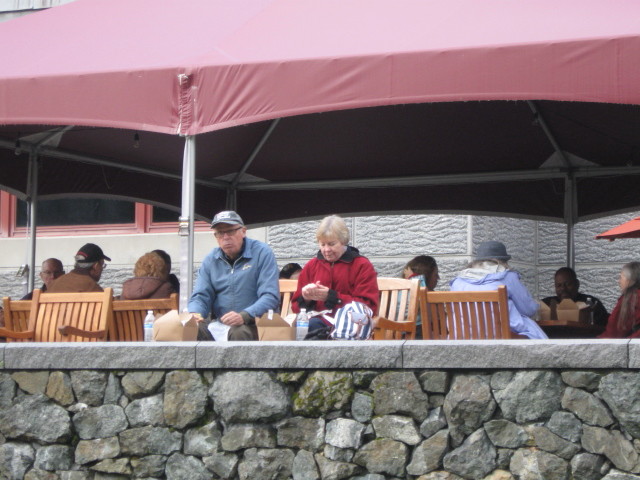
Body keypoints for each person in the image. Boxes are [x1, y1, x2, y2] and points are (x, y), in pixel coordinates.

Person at [188, 210, 279, 341]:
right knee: (192, 329)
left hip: (254, 322)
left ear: (243, 231)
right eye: (220, 233)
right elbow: (201, 296)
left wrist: (245, 315)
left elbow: (270, 296)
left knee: (238, 332)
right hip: (220, 323)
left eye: (230, 231)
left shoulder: (262, 253)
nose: (225, 237)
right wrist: (194, 313)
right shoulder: (211, 259)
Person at [292, 215, 379, 339]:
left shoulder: (361, 265)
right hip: (316, 323)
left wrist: (333, 297)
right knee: (305, 326)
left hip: (348, 328)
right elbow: (295, 307)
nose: (326, 250)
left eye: (332, 244)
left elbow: (368, 307)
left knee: (312, 327)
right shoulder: (311, 266)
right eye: (322, 244)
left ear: (343, 241)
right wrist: (306, 298)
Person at [450, 241, 547, 339]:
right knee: (534, 333)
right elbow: (528, 309)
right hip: (501, 335)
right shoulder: (508, 276)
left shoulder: (457, 282)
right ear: (503, 262)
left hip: (463, 336)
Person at [541, 267, 609, 326]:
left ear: (577, 284)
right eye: (559, 285)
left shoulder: (591, 303)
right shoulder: (547, 304)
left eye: (568, 284)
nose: (563, 288)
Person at [599, 262, 640, 339]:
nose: (619, 281)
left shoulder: (631, 298)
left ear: (629, 280)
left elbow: (614, 332)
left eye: (621, 277)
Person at [402, 255, 439, 339]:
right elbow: (418, 300)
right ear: (426, 276)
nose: (438, 278)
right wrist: (415, 279)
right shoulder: (406, 292)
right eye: (436, 274)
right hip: (416, 333)